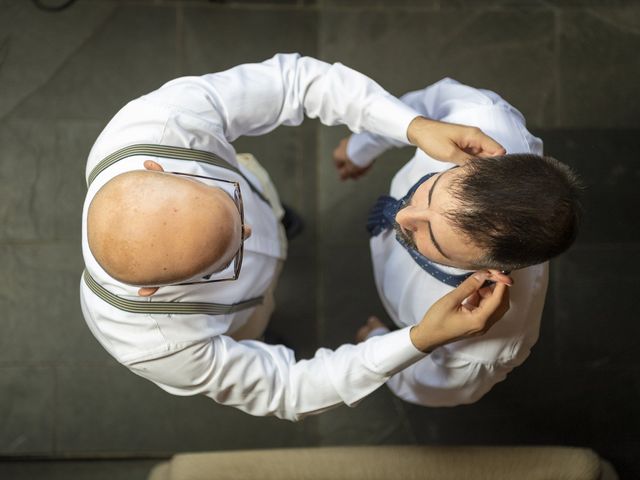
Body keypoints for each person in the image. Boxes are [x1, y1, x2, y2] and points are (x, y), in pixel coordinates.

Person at [80, 54, 508, 422]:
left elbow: (295, 82)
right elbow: (287, 389)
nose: (248, 232)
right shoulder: (153, 344)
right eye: (227, 259)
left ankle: (279, 219)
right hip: (243, 316)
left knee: (271, 215)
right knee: (258, 339)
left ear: (160, 168)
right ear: (153, 291)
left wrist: (411, 126)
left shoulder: (163, 121)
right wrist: (418, 341)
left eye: (232, 205)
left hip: (264, 194)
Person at [333, 77, 582, 407]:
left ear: (492, 272)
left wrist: (384, 345)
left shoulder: (483, 350)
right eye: (432, 190)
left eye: (431, 237)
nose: (403, 218)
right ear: (480, 157)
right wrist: (364, 145)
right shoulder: (482, 116)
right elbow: (421, 106)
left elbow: (431, 387)